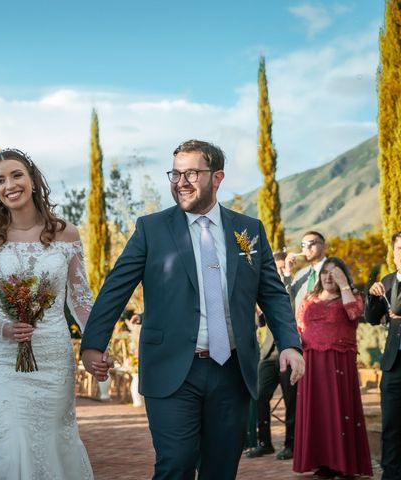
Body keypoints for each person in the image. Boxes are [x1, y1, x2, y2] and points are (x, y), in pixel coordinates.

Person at [81, 139, 305, 479]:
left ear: (217, 177)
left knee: (220, 470)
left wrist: (289, 343)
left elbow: (272, 294)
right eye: (175, 173)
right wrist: (93, 344)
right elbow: (115, 289)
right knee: (176, 464)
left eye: (191, 173)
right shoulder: (150, 229)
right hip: (171, 370)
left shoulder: (249, 230)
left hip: (232, 371)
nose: (180, 181)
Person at [0, 148, 107, 479]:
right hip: (3, 360)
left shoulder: (66, 234)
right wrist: (4, 328)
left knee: (52, 442)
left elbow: (81, 300)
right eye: (0, 180)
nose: (9, 184)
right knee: (9, 439)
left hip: (53, 358)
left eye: (16, 175)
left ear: (33, 180)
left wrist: (97, 344)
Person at [293, 257, 372, 479]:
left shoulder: (352, 296)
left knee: (340, 409)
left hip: (339, 361)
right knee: (317, 410)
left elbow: (354, 314)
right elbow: (299, 325)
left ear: (343, 275)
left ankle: (344, 463)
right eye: (325, 273)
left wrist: (344, 286)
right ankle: (322, 462)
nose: (329, 277)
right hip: (312, 362)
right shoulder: (309, 298)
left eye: (334, 273)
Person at [246, 251, 297, 460]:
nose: (276, 271)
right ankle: (264, 443)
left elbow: (289, 307)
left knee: (291, 401)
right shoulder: (265, 289)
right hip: (268, 354)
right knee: (259, 396)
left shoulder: (293, 285)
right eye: (274, 267)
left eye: (280, 267)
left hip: (289, 351)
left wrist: (287, 275)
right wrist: (258, 312)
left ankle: (291, 445)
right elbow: (263, 322)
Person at [365, 230, 401, 480]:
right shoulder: (387, 282)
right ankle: (390, 475)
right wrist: (371, 295)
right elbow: (371, 319)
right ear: (394, 253)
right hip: (393, 364)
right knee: (391, 425)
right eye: (400, 249)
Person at [285, 231, 327, 311]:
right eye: (303, 245)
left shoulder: (335, 270)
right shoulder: (300, 274)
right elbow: (288, 299)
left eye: (312, 243)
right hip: (302, 323)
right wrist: (287, 272)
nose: (307, 248)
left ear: (324, 246)